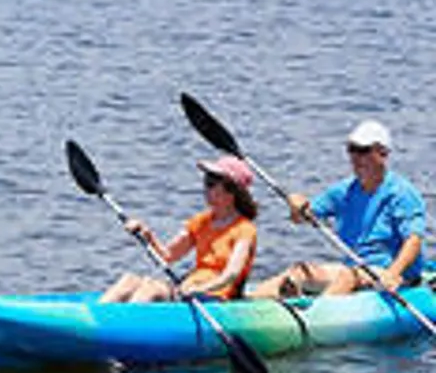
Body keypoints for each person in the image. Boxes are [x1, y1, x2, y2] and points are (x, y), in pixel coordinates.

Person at [248, 118, 426, 299]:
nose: (356, 158)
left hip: (394, 276)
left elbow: (414, 240)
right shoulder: (344, 191)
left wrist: (393, 273)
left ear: (383, 153)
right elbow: (302, 217)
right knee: (301, 271)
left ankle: (315, 317)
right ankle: (247, 304)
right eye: (352, 150)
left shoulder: (402, 193)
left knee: (348, 276)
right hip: (354, 269)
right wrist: (297, 206)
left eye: (363, 151)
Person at [101, 155, 258, 304]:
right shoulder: (201, 222)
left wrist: (199, 289)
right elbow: (167, 256)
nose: (205, 188)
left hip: (215, 296)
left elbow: (231, 274)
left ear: (231, 192)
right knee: (130, 280)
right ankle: (95, 317)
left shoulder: (244, 230)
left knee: (151, 288)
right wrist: (146, 234)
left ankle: (126, 325)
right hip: (189, 288)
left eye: (211, 183)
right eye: (206, 181)